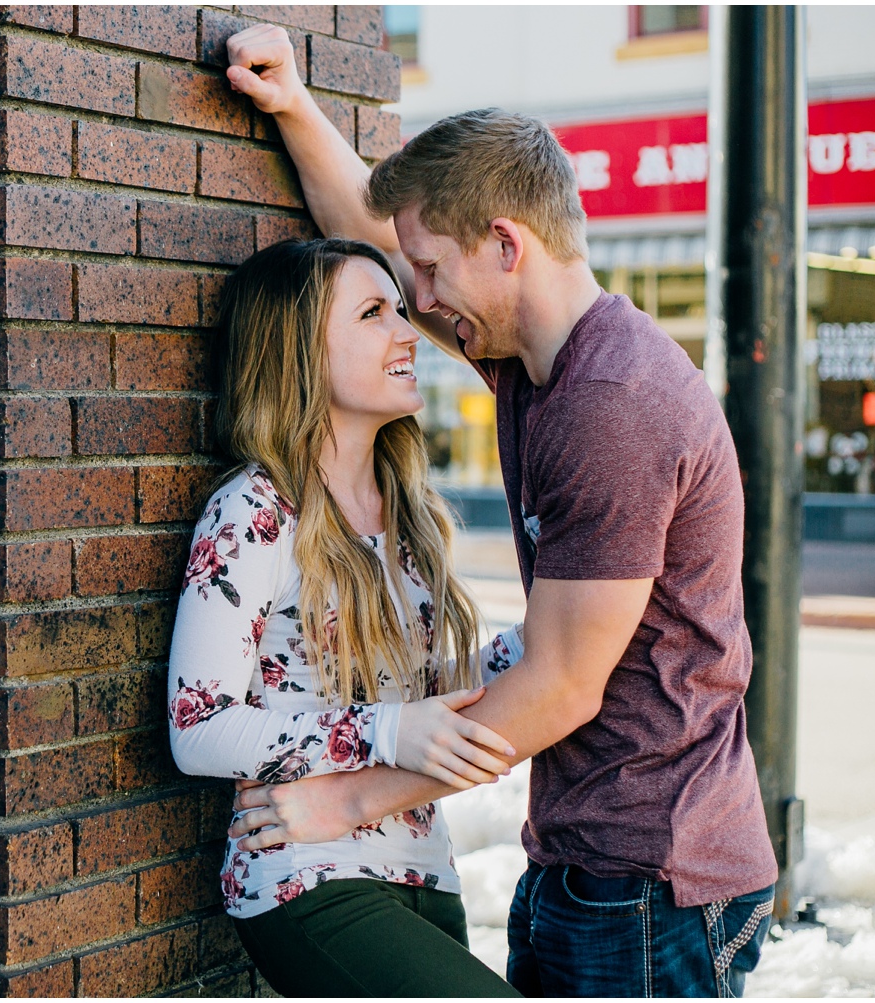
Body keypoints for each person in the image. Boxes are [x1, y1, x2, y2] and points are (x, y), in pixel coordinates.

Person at [215, 25, 779, 999]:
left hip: (652, 885)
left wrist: (340, 801)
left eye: (430, 274)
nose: (417, 303)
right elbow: (374, 227)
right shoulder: (531, 362)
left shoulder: (613, 405)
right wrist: (293, 104)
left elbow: (560, 686)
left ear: (506, 246)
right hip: (590, 857)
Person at [168, 236, 525, 997]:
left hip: (426, 865)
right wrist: (387, 731)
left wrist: (552, 640)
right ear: (301, 355)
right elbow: (196, 727)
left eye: (400, 308)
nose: (408, 332)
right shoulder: (255, 511)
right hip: (305, 875)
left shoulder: (410, 510)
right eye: (373, 313)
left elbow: (428, 692)